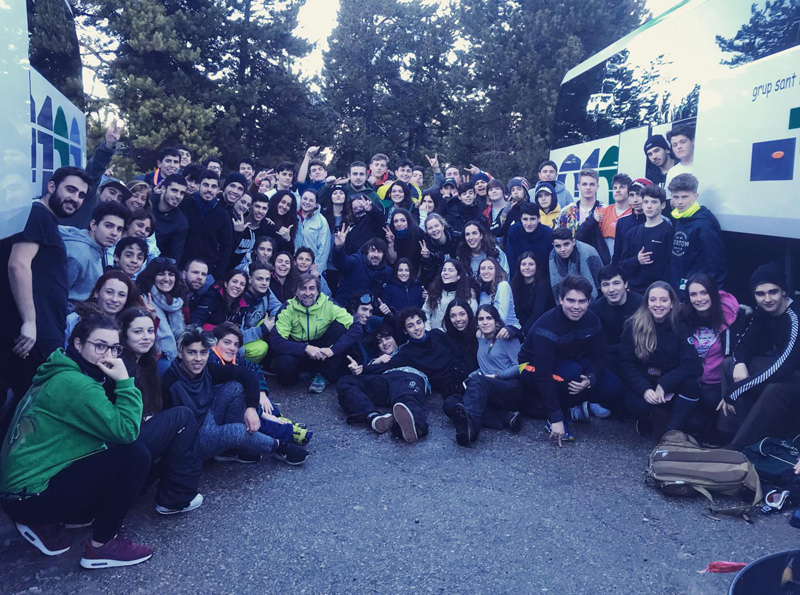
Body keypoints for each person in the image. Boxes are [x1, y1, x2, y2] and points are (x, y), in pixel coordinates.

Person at [0, 311, 153, 567]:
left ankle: (46, 523)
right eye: (100, 346)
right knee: (135, 455)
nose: (108, 355)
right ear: (78, 344)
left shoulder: (60, 369)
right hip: (30, 496)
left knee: (110, 449)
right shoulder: (77, 384)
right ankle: (102, 545)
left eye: (115, 348)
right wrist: (126, 382)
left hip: (20, 491)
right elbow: (127, 431)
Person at [0, 166, 89, 407]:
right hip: (31, 336)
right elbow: (18, 265)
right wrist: (30, 322)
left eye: (81, 195)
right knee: (32, 407)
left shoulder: (46, 220)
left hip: (40, 333)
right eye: (70, 190)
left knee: (24, 408)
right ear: (51, 186)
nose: (76, 199)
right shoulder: (38, 213)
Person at [118, 308, 204, 514]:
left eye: (149, 331)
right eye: (138, 332)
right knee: (182, 417)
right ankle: (176, 498)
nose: (146, 337)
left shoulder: (145, 362)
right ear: (124, 334)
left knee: (172, 417)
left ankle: (145, 486)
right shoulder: (122, 365)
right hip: (122, 441)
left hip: (133, 436)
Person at [519, 275, 624, 444]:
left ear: (589, 301)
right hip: (531, 367)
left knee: (613, 386)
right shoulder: (547, 325)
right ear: (560, 299)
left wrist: (589, 380)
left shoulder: (592, 319)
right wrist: (556, 419)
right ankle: (562, 413)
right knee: (572, 373)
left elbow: (600, 357)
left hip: (570, 362)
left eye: (582, 301)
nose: (576, 307)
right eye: (571, 301)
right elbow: (543, 376)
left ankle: (578, 404)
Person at [160, 326, 285, 464]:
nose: (198, 358)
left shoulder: (207, 369)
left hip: (208, 418)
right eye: (191, 352)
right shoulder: (170, 382)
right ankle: (280, 447)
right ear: (180, 353)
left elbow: (247, 374)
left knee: (236, 387)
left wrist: (252, 408)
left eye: (203, 353)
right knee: (238, 431)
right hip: (193, 441)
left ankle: (228, 449)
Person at [719, 263, 800, 450]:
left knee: (775, 388)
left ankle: (738, 446)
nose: (767, 298)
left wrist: (735, 390)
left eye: (773, 292)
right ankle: (729, 433)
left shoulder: (794, 317)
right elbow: (744, 343)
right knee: (728, 364)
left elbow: (786, 366)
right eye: (760, 294)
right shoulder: (762, 312)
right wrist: (739, 363)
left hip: (793, 370)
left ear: (784, 292)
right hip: (786, 366)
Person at [208, 323, 310, 463]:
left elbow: (254, 369)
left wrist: (261, 393)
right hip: (216, 414)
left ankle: (282, 423)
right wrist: (260, 412)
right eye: (227, 342)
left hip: (234, 407)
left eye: (236, 344)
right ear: (215, 342)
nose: (232, 348)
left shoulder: (235, 358)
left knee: (266, 404)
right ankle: (284, 437)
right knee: (256, 415)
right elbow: (227, 396)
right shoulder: (210, 359)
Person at [620, 281, 703, 436]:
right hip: (643, 380)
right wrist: (644, 388)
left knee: (694, 411)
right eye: (653, 300)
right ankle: (647, 418)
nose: (658, 304)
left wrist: (664, 383)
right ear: (647, 303)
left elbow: (693, 365)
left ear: (672, 303)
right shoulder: (632, 325)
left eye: (663, 300)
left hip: (670, 381)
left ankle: (672, 430)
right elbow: (626, 364)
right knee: (638, 407)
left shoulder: (680, 327)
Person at [443, 305, 526, 446]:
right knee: (450, 403)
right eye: (481, 319)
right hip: (489, 388)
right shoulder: (480, 339)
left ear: (497, 322)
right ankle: (505, 418)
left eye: (489, 318)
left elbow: (521, 366)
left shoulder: (507, 339)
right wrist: (472, 375)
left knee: (479, 382)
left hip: (510, 387)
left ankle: (471, 430)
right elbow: (484, 367)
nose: (485, 322)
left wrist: (497, 376)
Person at [681, 273, 747, 441]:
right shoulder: (683, 317)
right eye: (693, 294)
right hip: (691, 380)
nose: (699, 298)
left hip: (718, 383)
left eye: (704, 293)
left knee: (710, 402)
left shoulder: (732, 316)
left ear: (713, 293)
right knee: (692, 426)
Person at [270, 274, 362, 392]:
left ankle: (324, 375)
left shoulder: (329, 304)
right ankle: (307, 373)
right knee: (285, 368)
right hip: (300, 350)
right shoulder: (287, 308)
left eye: (311, 288)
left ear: (318, 291)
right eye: (302, 288)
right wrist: (305, 348)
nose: (307, 293)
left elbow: (356, 327)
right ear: (296, 291)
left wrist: (333, 350)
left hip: (323, 351)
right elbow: (276, 341)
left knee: (339, 327)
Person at [338, 332, 431, 445]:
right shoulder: (377, 359)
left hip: (408, 375)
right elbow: (366, 372)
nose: (385, 343)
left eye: (387, 338)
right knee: (346, 381)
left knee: (407, 397)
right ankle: (373, 417)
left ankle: (414, 427)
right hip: (384, 380)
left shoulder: (408, 348)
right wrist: (374, 362)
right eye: (380, 342)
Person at [61, 201, 128, 306]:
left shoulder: (99, 248)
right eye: (109, 226)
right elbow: (55, 296)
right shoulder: (79, 254)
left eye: (119, 229)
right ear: (93, 225)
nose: (114, 233)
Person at [667, 174, 726, 292]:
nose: (679, 202)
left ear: (695, 196)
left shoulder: (705, 224)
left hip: (697, 290)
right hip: (678, 286)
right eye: (675, 197)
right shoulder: (679, 217)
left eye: (684, 197)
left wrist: (713, 292)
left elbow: (716, 263)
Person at [589, 265, 643, 375]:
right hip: (608, 357)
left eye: (616, 283)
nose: (611, 289)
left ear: (626, 284)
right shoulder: (594, 309)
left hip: (638, 355)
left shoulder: (640, 304)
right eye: (606, 285)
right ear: (600, 287)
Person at [618, 185, 673, 294]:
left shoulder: (669, 232)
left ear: (663, 205)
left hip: (659, 293)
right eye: (646, 202)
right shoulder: (632, 233)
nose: (649, 206)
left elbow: (671, 268)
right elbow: (622, 265)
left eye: (654, 202)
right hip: (635, 292)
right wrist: (637, 260)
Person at [180, 170, 233, 281]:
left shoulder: (222, 215)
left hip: (206, 273)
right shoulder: (184, 205)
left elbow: (226, 246)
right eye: (205, 185)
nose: (209, 190)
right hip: (181, 268)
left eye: (213, 186)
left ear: (218, 190)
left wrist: (216, 275)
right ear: (199, 186)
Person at [66, 270, 147, 341]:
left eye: (121, 295)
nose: (114, 299)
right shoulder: (75, 319)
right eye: (109, 292)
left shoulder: (130, 324)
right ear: (96, 293)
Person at [137, 259, 186, 363]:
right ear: (152, 277)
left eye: (171, 274)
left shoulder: (178, 301)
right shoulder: (143, 299)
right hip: (152, 357)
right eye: (161, 274)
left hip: (176, 354)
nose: (167, 279)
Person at [576, 173, 632, 263]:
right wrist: (592, 220)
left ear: (629, 190)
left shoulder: (634, 213)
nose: (617, 190)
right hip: (604, 265)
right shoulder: (602, 211)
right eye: (615, 188)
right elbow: (580, 236)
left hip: (625, 264)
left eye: (622, 187)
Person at [332, 230, 392, 308]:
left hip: (369, 314)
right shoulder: (356, 262)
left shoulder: (387, 272)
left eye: (379, 252)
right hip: (344, 309)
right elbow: (340, 262)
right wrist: (339, 248)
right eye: (372, 251)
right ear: (366, 252)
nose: (376, 255)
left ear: (384, 255)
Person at [239, 262, 280, 363]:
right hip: (240, 339)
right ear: (250, 279)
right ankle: (242, 365)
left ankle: (272, 363)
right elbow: (237, 336)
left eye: (267, 279)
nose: (264, 283)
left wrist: (273, 318)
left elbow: (278, 307)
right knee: (261, 348)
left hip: (254, 329)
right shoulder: (240, 299)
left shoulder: (266, 291)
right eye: (259, 279)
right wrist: (263, 329)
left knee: (280, 321)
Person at [548, 227, 603, 302]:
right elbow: (556, 287)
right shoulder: (552, 256)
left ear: (573, 242)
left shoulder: (588, 251)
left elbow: (600, 280)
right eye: (558, 246)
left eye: (566, 244)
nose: (563, 249)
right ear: (553, 245)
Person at [422, 260, 477, 330]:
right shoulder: (434, 291)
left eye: (451, 270)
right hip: (433, 336)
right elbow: (425, 312)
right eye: (444, 270)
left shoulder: (468, 294)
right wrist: (428, 331)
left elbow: (471, 320)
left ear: (459, 276)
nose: (446, 273)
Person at [509, 252, 553, 335]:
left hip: (541, 329)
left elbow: (538, 314)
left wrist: (521, 333)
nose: (527, 267)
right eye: (524, 264)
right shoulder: (515, 285)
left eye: (531, 264)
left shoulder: (542, 285)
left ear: (537, 266)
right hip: (521, 327)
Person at [504, 202, 553, 274]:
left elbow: (549, 263)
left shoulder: (548, 233)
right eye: (525, 219)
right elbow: (511, 260)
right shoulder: (514, 231)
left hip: (542, 276)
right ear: (521, 219)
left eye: (532, 219)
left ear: (539, 219)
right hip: (519, 276)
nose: (529, 223)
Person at [612, 178, 651, 266]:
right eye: (631, 195)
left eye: (639, 194)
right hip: (627, 274)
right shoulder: (622, 222)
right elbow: (617, 254)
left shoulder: (660, 221)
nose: (635, 200)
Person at [150, 174, 189, 263]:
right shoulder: (147, 202)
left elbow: (175, 257)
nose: (178, 196)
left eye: (182, 193)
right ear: (163, 189)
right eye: (174, 190)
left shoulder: (181, 222)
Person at [477, 257, 520, 330]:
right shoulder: (482, 291)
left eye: (490, 268)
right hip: (488, 332)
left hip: (509, 331)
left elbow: (502, 319)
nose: (486, 271)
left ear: (496, 271)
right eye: (483, 268)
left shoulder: (503, 286)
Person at [559, 169, 604, 236]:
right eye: (584, 184)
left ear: (597, 187)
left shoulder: (605, 210)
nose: (588, 187)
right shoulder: (566, 212)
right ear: (578, 186)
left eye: (592, 184)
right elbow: (560, 238)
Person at [295, 189, 331, 272]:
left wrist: (316, 271)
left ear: (316, 204)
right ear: (300, 199)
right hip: (295, 265)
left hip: (312, 267)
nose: (307, 202)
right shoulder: (293, 216)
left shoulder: (321, 221)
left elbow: (323, 250)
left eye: (311, 200)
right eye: (305, 199)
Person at [418, 213, 458, 287]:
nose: (434, 230)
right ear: (427, 231)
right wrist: (426, 258)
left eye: (436, 226)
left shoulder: (456, 239)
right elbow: (428, 276)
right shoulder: (426, 247)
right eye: (430, 228)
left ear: (442, 226)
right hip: (438, 283)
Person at [385, 207, 425, 274]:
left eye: (403, 220)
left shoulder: (418, 233)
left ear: (408, 221)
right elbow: (392, 261)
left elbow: (421, 261)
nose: (399, 224)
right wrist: (391, 242)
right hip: (396, 272)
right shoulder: (390, 234)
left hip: (414, 271)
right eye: (396, 221)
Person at [664, 124, 695, 192]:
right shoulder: (672, 172)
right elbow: (670, 199)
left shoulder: (705, 165)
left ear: (693, 141)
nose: (679, 147)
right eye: (675, 145)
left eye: (683, 142)